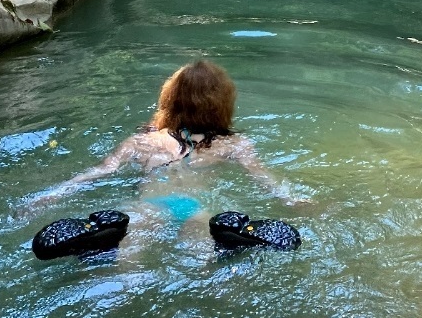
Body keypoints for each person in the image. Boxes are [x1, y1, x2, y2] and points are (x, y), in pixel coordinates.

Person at [27, 58, 304, 221]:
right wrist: (294, 199)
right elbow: (265, 180)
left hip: (145, 208)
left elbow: (103, 171)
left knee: (127, 276)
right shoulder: (234, 145)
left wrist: (53, 194)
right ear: (223, 104)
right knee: (203, 271)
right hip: (197, 210)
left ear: (170, 100)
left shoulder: (143, 141)